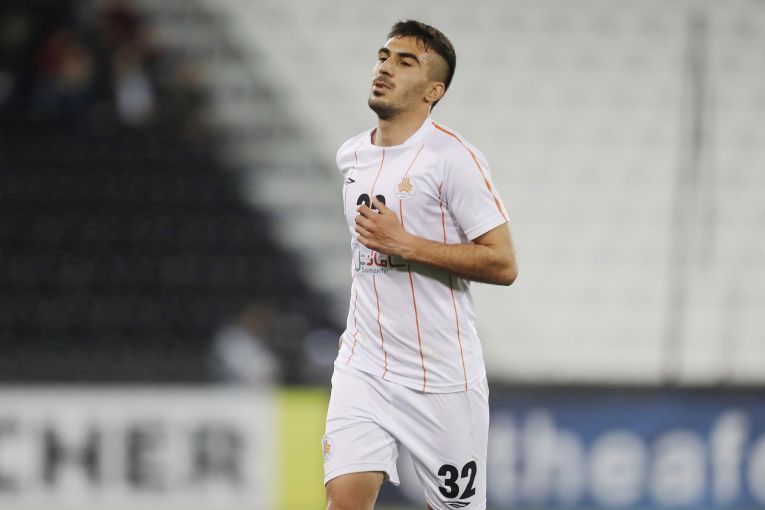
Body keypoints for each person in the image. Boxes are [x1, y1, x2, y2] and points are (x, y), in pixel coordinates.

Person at [323, 19, 517, 510]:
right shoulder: (351, 155)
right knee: (344, 502)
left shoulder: (454, 158)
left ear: (434, 90)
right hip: (364, 365)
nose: (385, 68)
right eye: (383, 57)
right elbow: (368, 259)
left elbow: (503, 263)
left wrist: (406, 244)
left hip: (443, 379)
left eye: (405, 62)